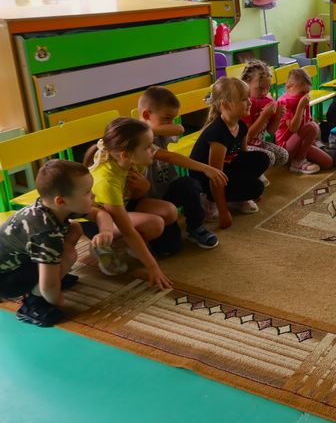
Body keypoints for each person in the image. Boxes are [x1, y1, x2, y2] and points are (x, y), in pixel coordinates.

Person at [0, 160, 115, 327]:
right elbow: (48, 285)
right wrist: (56, 297)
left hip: (19, 263)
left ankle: (56, 274)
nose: (93, 195)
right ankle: (33, 304)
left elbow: (99, 214)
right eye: (87, 192)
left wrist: (106, 231)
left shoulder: (53, 207)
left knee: (74, 227)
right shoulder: (46, 233)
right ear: (61, 201)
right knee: (68, 255)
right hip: (5, 281)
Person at [83, 117, 173, 290]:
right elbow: (127, 229)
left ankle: (124, 246)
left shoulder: (133, 161)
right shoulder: (106, 180)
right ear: (126, 154)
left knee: (169, 212)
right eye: (147, 146)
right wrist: (153, 267)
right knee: (155, 224)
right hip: (97, 222)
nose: (153, 149)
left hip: (121, 209)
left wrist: (144, 187)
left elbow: (134, 197)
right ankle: (103, 245)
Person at [138, 86, 228, 249]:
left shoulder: (159, 131)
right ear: (146, 115)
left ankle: (196, 227)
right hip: (146, 201)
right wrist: (205, 168)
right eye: (167, 118)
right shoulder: (138, 141)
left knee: (189, 184)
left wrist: (153, 128)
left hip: (167, 191)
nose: (171, 123)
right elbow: (170, 156)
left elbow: (179, 129)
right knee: (169, 248)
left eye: (173, 118)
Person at [189, 77, 269, 230]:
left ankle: (235, 198)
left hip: (226, 168)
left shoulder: (241, 126)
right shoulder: (218, 133)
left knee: (261, 159)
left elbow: (244, 158)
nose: (250, 102)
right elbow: (214, 177)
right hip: (206, 180)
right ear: (226, 105)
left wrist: (247, 185)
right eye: (244, 99)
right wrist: (223, 212)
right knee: (256, 188)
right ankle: (210, 201)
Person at [275, 68, 333, 174]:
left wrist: (313, 144)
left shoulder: (303, 99)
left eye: (307, 92)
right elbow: (294, 128)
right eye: (302, 92)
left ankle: (302, 157)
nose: (305, 96)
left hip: (301, 144)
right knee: (313, 126)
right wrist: (300, 107)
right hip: (286, 148)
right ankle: (298, 161)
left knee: (328, 163)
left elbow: (306, 124)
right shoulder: (284, 101)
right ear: (288, 87)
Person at [239, 61, 290, 179]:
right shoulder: (245, 104)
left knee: (283, 155)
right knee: (269, 157)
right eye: (260, 88)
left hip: (258, 143)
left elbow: (271, 131)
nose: (265, 92)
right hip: (242, 147)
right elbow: (248, 136)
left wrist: (278, 117)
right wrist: (264, 116)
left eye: (268, 88)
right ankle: (251, 175)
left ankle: (256, 170)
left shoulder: (266, 100)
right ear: (246, 83)